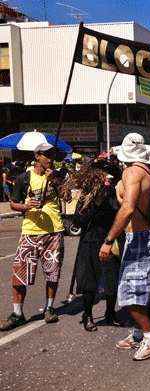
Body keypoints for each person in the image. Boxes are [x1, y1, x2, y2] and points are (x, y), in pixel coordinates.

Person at [99, 133, 150, 361]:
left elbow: (128, 208)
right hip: (149, 234)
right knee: (141, 290)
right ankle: (138, 333)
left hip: (141, 237)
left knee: (129, 293)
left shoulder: (132, 172)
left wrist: (108, 241)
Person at [0, 138, 70, 331]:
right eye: (47, 155)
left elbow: (68, 197)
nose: (50, 158)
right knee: (19, 274)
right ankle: (17, 313)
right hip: (30, 231)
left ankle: (49, 308)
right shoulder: (24, 177)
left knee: (52, 273)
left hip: (54, 231)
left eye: (52, 155)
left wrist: (56, 180)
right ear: (37, 156)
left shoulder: (56, 176)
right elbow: (14, 203)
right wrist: (25, 206)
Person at [68, 157, 122, 331]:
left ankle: (110, 313)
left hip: (109, 240)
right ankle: (88, 315)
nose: (108, 179)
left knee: (111, 280)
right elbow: (78, 220)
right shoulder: (88, 194)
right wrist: (93, 204)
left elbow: (118, 214)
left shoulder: (113, 192)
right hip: (90, 241)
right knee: (89, 282)